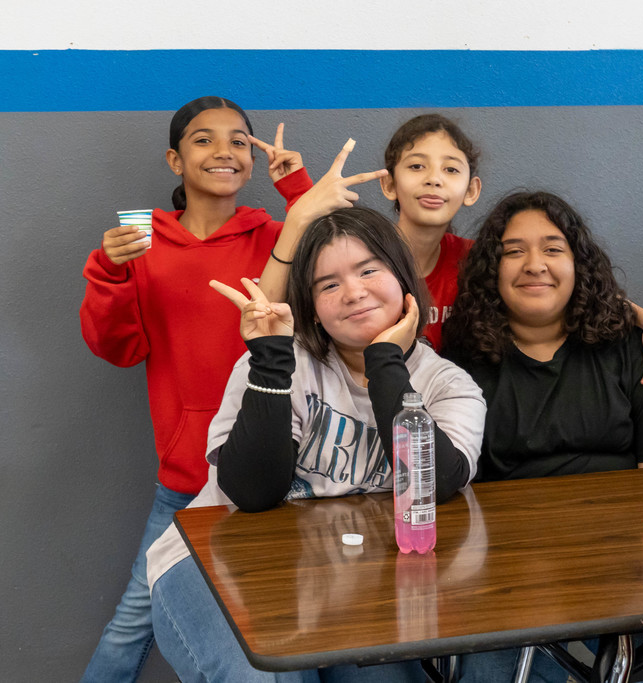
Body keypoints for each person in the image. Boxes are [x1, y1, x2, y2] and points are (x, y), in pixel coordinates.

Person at [146, 206, 486, 682]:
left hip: (358, 582)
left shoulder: (449, 386)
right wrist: (269, 364)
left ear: (404, 276)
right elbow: (251, 493)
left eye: (369, 270)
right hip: (220, 566)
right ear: (311, 307)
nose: (353, 292)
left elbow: (438, 483)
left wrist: (384, 359)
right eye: (328, 285)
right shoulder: (279, 363)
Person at [77, 95, 317, 682]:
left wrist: (298, 190)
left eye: (239, 140)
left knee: (288, 625)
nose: (224, 151)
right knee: (131, 626)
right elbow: (117, 347)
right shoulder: (137, 234)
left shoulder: (279, 235)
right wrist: (107, 271)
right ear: (174, 160)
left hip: (277, 473)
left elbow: (347, 260)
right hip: (184, 481)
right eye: (204, 139)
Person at [441, 190, 643, 681]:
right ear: (491, 271)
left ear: (578, 264)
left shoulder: (637, 348)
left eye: (553, 249)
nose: (535, 264)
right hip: (507, 568)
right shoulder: (460, 363)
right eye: (514, 251)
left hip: (629, 556)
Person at [378, 114, 643, 410]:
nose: (433, 180)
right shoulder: (363, 260)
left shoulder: (476, 261)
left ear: (472, 190)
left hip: (447, 414)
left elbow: (586, 296)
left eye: (451, 170)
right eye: (417, 166)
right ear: (389, 184)